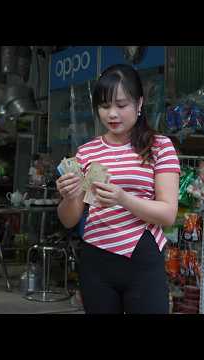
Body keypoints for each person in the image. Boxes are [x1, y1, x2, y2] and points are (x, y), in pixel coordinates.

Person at [56, 64, 180, 314]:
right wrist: (69, 197)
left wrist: (123, 198)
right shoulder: (86, 152)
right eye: (104, 106)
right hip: (96, 258)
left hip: (142, 257)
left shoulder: (159, 147)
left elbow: (168, 214)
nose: (112, 114)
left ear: (139, 103)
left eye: (121, 105)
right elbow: (69, 220)